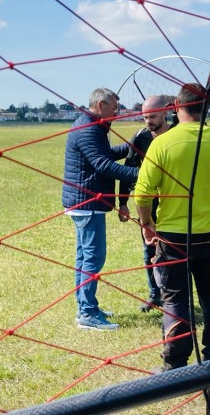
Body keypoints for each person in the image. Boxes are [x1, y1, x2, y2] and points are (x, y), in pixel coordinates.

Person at [135, 83, 210, 371]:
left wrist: (147, 224)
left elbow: (142, 194)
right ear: (206, 107)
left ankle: (175, 365)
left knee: (175, 297)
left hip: (174, 236)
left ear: (177, 105)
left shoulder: (162, 143)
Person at [62, 88, 139, 331]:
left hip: (84, 203)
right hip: (87, 204)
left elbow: (103, 155)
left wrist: (129, 148)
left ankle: (86, 307)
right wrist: (142, 174)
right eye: (114, 107)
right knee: (93, 259)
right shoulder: (89, 128)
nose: (117, 112)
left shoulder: (92, 126)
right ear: (100, 104)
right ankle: (87, 312)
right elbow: (103, 165)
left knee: (84, 258)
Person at [118, 96, 173, 312]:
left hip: (173, 205)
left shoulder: (176, 134)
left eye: (152, 116)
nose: (148, 121)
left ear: (164, 113)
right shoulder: (140, 138)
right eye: (144, 117)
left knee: (174, 253)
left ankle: (175, 298)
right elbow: (126, 171)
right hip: (148, 205)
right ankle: (155, 295)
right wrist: (122, 203)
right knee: (148, 251)